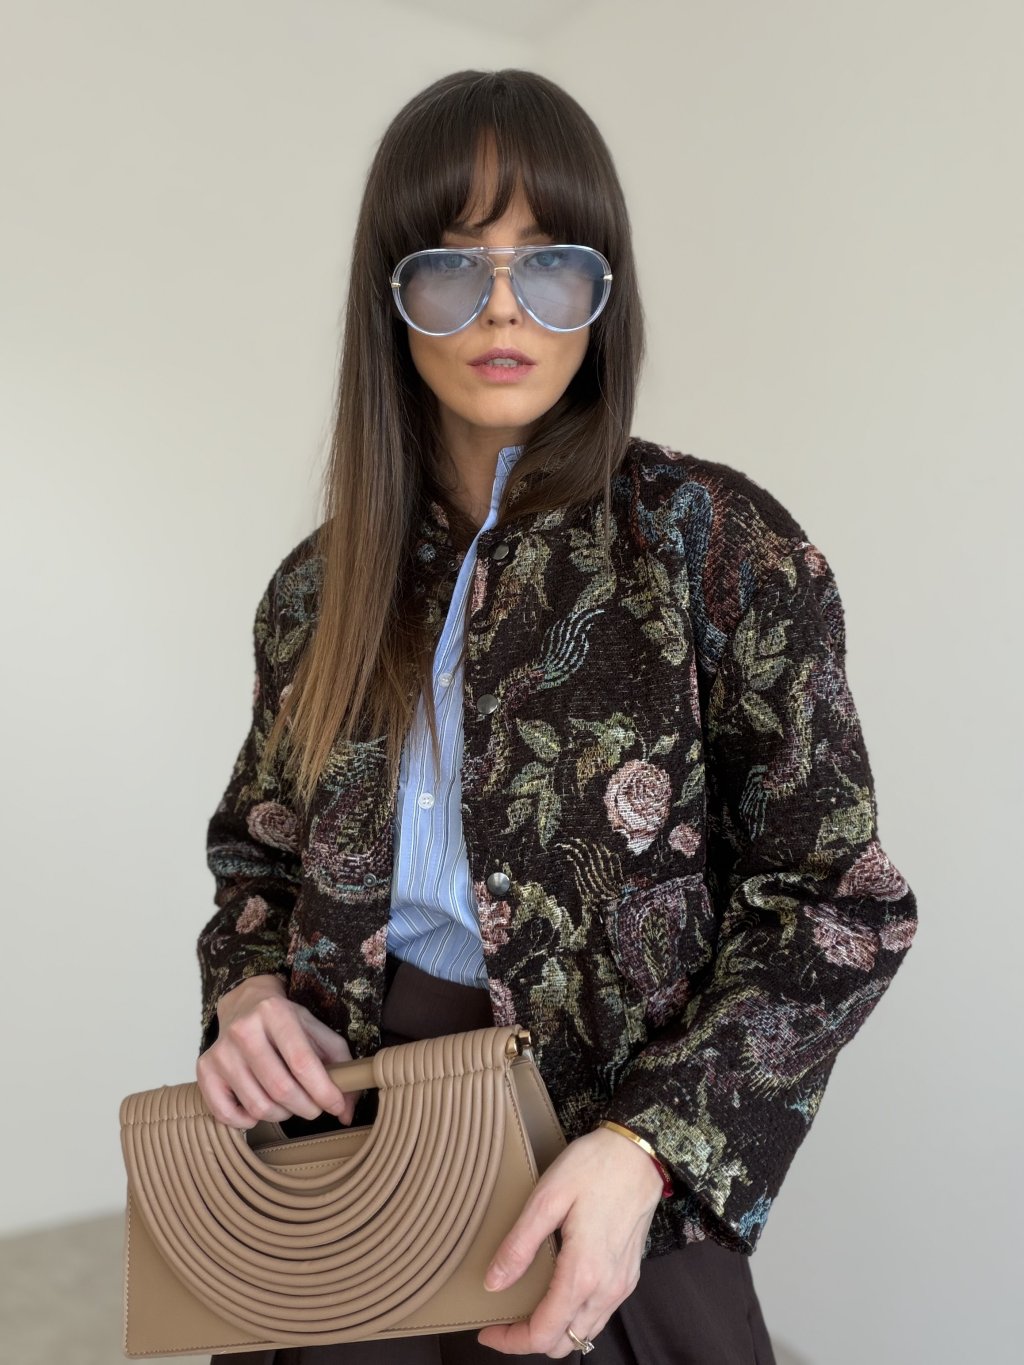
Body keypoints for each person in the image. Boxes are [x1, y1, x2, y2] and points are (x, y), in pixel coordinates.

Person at [194, 68, 917, 1365]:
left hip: (606, 1142)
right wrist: (246, 988)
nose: (503, 307)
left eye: (551, 262)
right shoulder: (313, 591)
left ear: (605, 289)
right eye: (451, 266)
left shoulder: (716, 546)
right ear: (389, 296)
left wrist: (651, 1148)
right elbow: (258, 855)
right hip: (346, 1138)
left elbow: (839, 903)